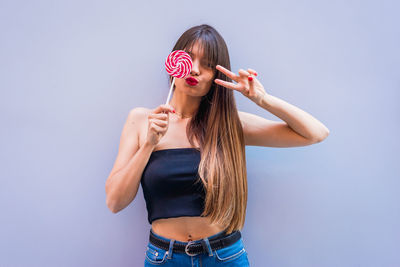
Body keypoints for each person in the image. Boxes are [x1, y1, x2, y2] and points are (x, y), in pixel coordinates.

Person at [105, 24, 330, 266]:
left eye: (208, 64)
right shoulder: (141, 120)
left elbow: (316, 133)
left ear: (216, 76)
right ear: (174, 61)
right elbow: (115, 202)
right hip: (164, 258)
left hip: (224, 257)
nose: (195, 69)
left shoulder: (230, 125)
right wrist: (148, 144)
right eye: (188, 58)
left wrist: (262, 99)